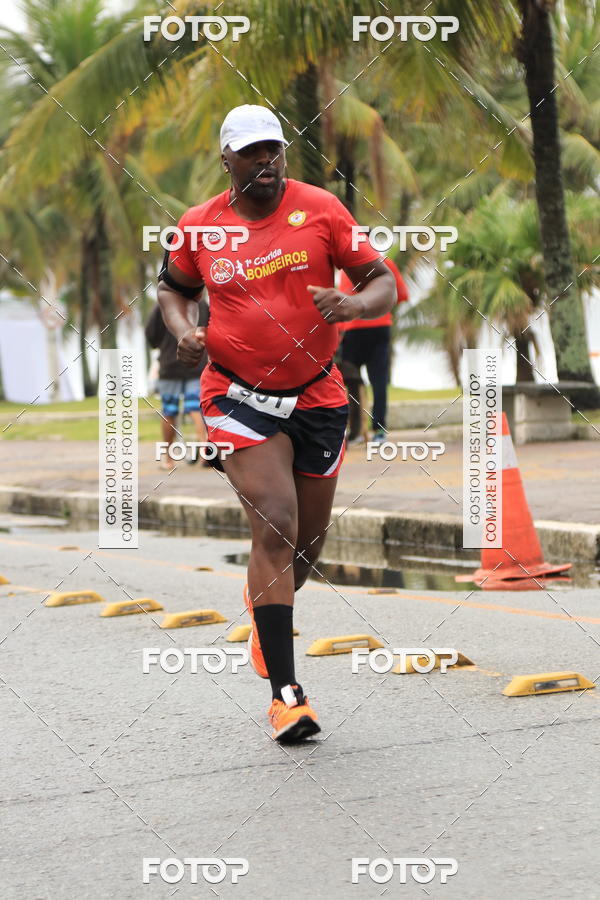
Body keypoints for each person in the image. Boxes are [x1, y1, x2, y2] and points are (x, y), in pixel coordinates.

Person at [158, 104, 396, 741]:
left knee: (306, 550)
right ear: (226, 160)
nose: (266, 162)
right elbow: (172, 290)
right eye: (251, 153)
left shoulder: (321, 209)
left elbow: (382, 282)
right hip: (236, 395)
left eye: (274, 151)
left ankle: (266, 611)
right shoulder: (199, 226)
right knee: (276, 521)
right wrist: (185, 332)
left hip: (319, 395)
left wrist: (352, 301)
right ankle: (286, 696)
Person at [338, 257, 409, 444]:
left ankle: (356, 432)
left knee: (351, 383)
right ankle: (379, 431)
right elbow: (401, 295)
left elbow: (341, 301)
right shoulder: (385, 262)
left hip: (352, 330)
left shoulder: (345, 266)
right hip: (379, 327)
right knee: (379, 382)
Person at [145, 298, 209, 469]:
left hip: (169, 364)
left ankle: (168, 458)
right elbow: (210, 330)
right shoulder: (200, 303)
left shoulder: (163, 304)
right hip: (196, 363)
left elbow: (151, 335)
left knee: (169, 411)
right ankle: (205, 452)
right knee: (196, 407)